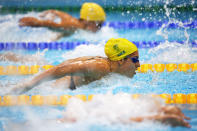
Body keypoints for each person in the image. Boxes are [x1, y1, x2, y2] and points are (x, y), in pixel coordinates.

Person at [9, 38, 140, 94]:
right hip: (59, 87)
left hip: (66, 84)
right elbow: (62, 69)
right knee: (12, 89)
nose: (138, 65)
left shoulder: (108, 66)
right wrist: (30, 84)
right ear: (121, 60)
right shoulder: (101, 67)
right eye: (135, 60)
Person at [19, 2, 106, 36]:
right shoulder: (72, 25)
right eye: (99, 24)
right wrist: (37, 22)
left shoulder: (76, 25)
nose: (100, 28)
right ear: (88, 21)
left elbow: (55, 12)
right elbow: (50, 24)